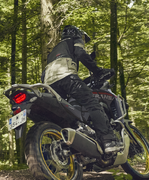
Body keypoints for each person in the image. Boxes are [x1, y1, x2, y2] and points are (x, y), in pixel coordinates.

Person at [41, 25, 121, 153]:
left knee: (65, 114)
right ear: (77, 34)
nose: (83, 40)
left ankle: (70, 144)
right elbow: (81, 54)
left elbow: (44, 73)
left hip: (49, 83)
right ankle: (108, 141)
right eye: (83, 38)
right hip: (67, 77)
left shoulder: (53, 52)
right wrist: (97, 71)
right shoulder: (74, 41)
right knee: (93, 104)